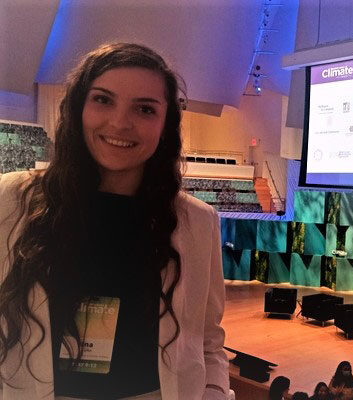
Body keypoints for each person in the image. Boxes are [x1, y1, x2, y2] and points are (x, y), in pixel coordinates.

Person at [0, 43, 229, 399]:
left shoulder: (198, 222)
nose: (121, 123)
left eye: (145, 109)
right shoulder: (10, 201)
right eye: (103, 100)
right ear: (78, 108)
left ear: (166, 125)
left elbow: (209, 342)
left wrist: (214, 393)